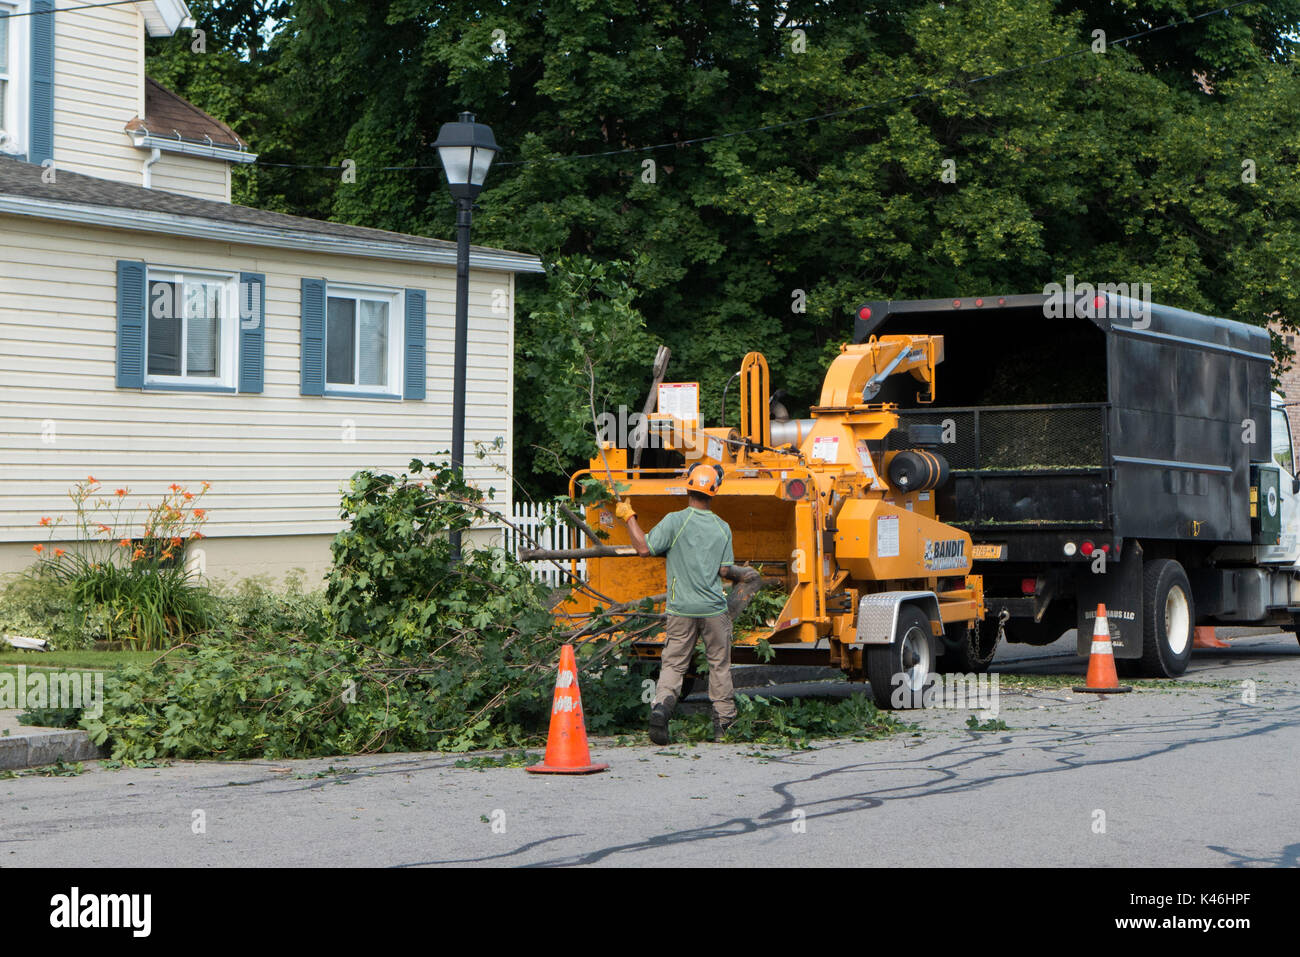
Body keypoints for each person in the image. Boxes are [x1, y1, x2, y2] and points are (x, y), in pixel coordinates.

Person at [615, 463, 757, 744]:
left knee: (674, 664)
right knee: (719, 664)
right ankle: (724, 725)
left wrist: (629, 517)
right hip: (714, 609)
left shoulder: (674, 521)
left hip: (681, 608)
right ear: (714, 490)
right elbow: (725, 572)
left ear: (688, 486)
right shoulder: (722, 527)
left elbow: (643, 548)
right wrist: (746, 573)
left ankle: (661, 711)